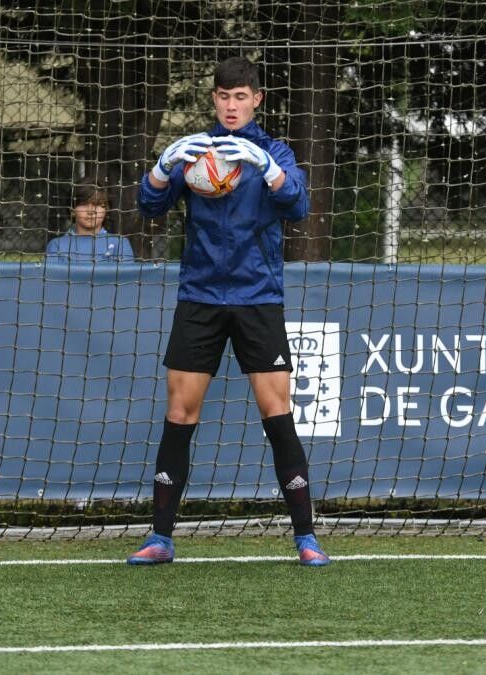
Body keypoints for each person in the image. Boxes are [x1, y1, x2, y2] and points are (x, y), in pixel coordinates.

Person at [128, 56, 329, 567]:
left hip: (257, 298)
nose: (232, 105)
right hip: (200, 297)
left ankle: (306, 537)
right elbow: (149, 206)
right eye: (223, 96)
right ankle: (161, 537)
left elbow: (299, 207)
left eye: (241, 96)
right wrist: (161, 168)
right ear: (213, 99)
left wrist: (269, 169)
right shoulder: (197, 153)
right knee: (179, 413)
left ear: (256, 99)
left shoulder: (271, 151)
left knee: (277, 413)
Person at [45, 178, 135, 263]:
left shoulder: (119, 244)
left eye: (97, 204)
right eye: (84, 204)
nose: (91, 211)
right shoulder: (57, 245)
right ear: (72, 210)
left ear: (106, 209)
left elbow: (126, 279)